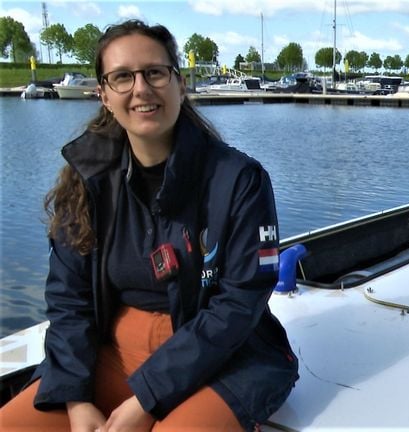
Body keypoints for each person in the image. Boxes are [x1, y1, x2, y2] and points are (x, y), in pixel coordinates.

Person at [0, 19, 298, 432]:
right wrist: (75, 399)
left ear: (179, 84)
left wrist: (146, 398)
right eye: (122, 77)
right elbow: (69, 299)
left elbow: (239, 303)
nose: (141, 88)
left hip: (227, 358)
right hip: (115, 351)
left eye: (155, 72)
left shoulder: (239, 181)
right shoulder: (87, 182)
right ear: (103, 94)